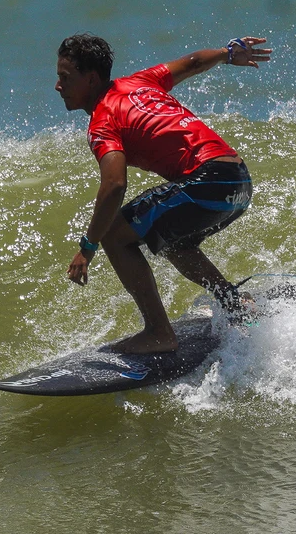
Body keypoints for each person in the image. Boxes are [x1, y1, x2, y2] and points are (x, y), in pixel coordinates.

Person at [55, 33, 271, 354]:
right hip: (237, 182)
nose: (58, 86)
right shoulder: (140, 82)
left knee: (115, 235)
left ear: (90, 79)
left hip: (207, 182)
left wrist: (87, 248)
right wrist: (228, 53)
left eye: (65, 78)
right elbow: (194, 63)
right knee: (171, 240)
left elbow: (114, 184)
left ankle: (159, 333)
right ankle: (233, 301)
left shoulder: (103, 121)